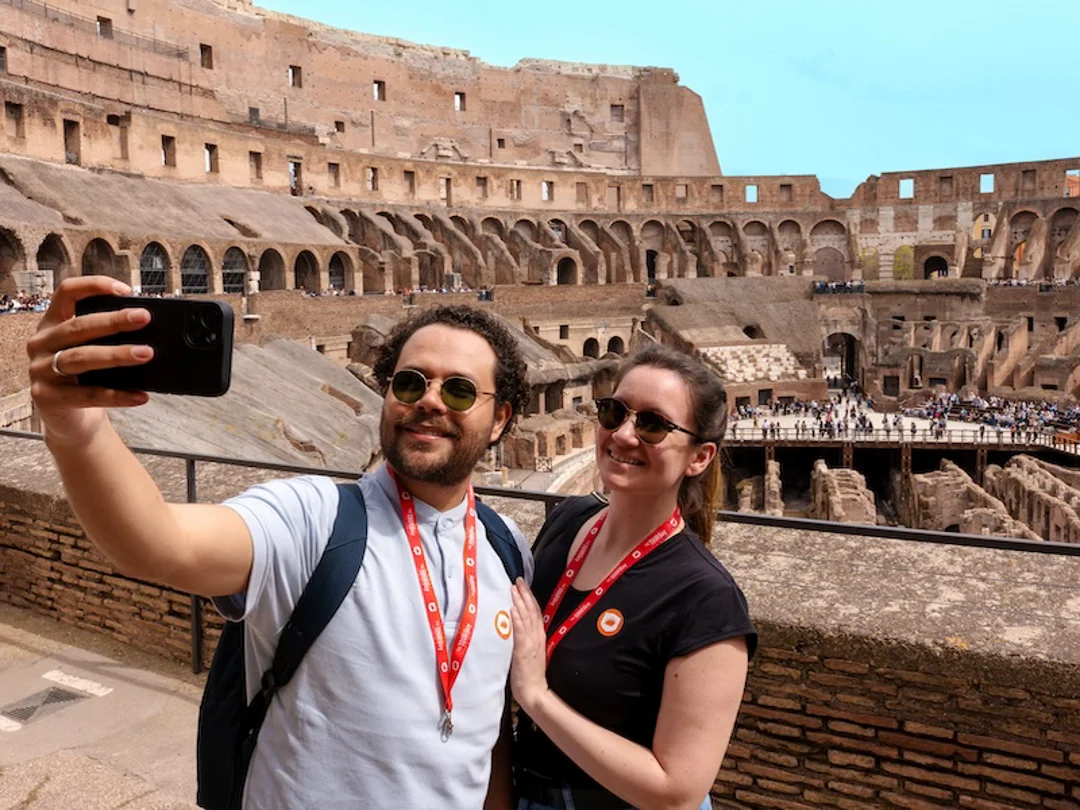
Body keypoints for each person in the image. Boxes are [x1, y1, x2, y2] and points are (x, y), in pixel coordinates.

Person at [26, 276, 534, 809]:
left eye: (459, 390)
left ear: (500, 419)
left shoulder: (507, 550)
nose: (429, 401)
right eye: (410, 383)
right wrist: (76, 430)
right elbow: (158, 543)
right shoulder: (314, 521)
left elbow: (487, 726)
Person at [508, 344, 757, 810]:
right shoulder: (568, 520)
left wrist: (536, 696)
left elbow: (676, 792)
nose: (623, 434)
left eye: (653, 424)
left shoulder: (706, 599)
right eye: (614, 411)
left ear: (699, 457)